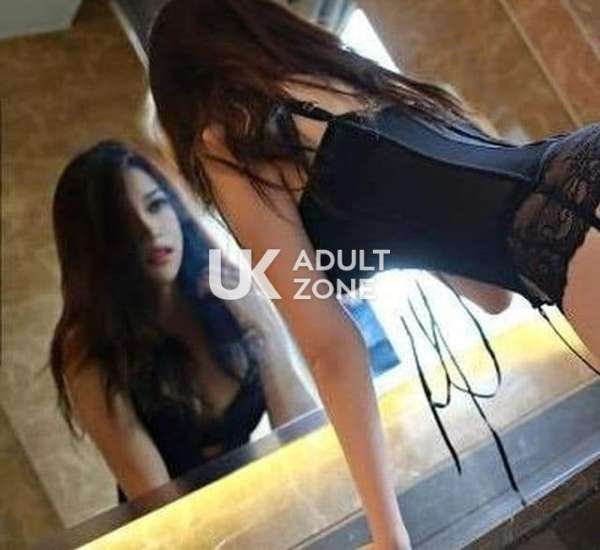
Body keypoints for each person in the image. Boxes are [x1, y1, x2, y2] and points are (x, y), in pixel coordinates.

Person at [146, 1, 600, 547]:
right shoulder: (351, 74)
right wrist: (395, 229)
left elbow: (330, 348)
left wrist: (388, 533)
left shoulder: (226, 140)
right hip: (580, 169)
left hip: (572, 235)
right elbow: (491, 296)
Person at [48, 141, 319, 503]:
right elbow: (159, 504)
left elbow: (308, 438)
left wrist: (266, 330)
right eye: (122, 223)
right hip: (177, 525)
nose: (150, 230)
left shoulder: (225, 286)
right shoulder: (90, 347)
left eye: (156, 206)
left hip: (258, 499)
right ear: (92, 247)